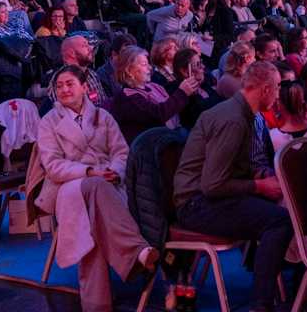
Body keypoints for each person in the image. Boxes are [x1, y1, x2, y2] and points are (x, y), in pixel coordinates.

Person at [27, 66, 158, 312]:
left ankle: (97, 305)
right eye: (59, 86)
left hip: (108, 184)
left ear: (84, 87)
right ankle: (135, 251)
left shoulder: (103, 117)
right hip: (68, 186)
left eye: (70, 84)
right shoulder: (49, 122)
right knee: (94, 189)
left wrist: (114, 172)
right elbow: (53, 166)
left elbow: (121, 153)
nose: (64, 90)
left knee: (90, 223)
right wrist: (89, 172)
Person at [173, 60, 291, 312]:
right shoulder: (234, 120)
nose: (279, 94)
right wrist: (259, 186)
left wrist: (261, 176)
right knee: (279, 221)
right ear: (265, 89)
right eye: (278, 87)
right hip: (196, 204)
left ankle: (265, 295)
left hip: (202, 197)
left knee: (280, 209)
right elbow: (213, 185)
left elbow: (228, 170)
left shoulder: (240, 113)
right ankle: (262, 305)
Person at [110, 44, 197, 143]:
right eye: (144, 64)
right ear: (129, 71)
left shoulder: (154, 86)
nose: (150, 68)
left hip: (173, 134)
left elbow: (174, 108)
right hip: (153, 145)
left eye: (148, 64)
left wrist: (192, 91)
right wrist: (182, 93)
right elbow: (157, 115)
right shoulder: (126, 98)